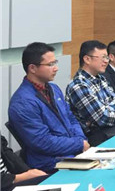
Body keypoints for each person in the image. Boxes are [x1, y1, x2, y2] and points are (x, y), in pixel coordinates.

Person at [8, 42, 88, 172]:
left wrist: (81, 140)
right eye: (50, 64)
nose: (56, 68)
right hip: (50, 162)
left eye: (55, 63)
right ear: (32, 68)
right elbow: (42, 142)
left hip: (71, 152)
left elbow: (71, 118)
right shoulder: (22, 102)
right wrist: (78, 144)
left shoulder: (54, 89)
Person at [66, 40, 115, 146]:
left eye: (107, 57)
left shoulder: (101, 78)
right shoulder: (79, 85)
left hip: (111, 127)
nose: (106, 61)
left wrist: (106, 109)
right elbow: (102, 118)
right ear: (87, 59)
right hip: (94, 136)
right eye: (103, 57)